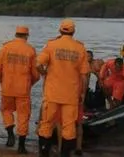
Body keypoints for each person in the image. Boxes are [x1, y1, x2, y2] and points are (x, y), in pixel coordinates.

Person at [37, 18, 89, 157]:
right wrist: (83, 94)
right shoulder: (80, 48)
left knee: (46, 124)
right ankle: (65, 154)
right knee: (69, 127)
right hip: (71, 95)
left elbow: (38, 64)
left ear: (60, 30)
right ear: (74, 32)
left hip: (52, 93)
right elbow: (84, 76)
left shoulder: (51, 45)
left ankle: (43, 153)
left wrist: (44, 74)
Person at [0, 25, 40, 154]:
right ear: (26, 36)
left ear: (16, 34)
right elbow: (36, 74)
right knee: (23, 115)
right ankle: (21, 146)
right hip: (23, 89)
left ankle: (10, 134)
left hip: (7, 87)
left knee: (6, 110)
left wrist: (2, 80)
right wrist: (31, 83)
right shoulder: (30, 50)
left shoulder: (5, 48)